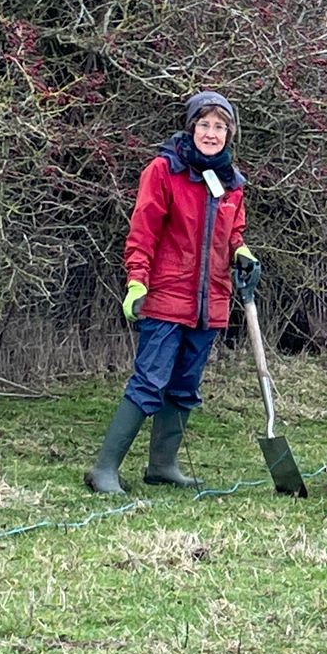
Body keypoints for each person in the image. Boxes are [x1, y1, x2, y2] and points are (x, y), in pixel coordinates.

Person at [84, 91, 259, 495]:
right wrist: (137, 281)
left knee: (184, 387)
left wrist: (242, 251)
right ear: (191, 127)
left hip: (209, 302)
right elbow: (143, 232)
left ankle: (162, 465)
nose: (211, 134)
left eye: (219, 127)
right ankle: (104, 470)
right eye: (205, 125)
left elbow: (233, 233)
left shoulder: (232, 183)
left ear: (229, 133)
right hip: (166, 296)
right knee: (149, 383)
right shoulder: (164, 171)